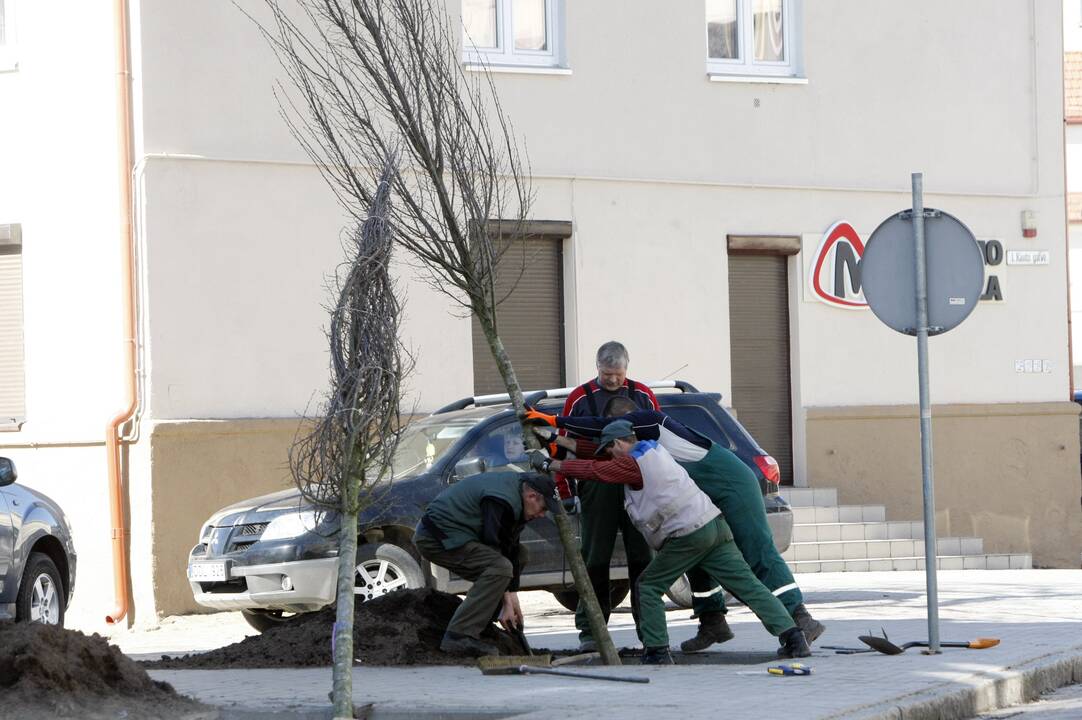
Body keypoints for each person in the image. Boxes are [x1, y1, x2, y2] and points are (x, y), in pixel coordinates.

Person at [527, 397, 826, 652]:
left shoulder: (651, 428)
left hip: (730, 485)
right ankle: (719, 623)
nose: (605, 439)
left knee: (755, 551)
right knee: (717, 569)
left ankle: (799, 615)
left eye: (612, 433)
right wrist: (555, 440)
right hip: (703, 516)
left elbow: (599, 464)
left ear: (628, 428)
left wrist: (555, 423)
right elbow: (601, 454)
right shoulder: (644, 449)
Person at [558, 341, 658, 652]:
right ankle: (591, 631)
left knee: (643, 558)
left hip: (637, 481)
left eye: (617, 374)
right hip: (596, 484)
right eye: (606, 374)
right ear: (597, 367)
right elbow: (562, 445)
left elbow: (659, 438)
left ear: (627, 369)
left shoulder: (642, 395)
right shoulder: (579, 398)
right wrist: (564, 490)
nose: (612, 380)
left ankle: (651, 632)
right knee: (595, 558)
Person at [413, 471, 560, 656]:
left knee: (521, 555)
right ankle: (458, 636)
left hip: (458, 536)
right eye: (543, 508)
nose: (542, 515)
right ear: (532, 496)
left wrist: (513, 600)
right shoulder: (500, 500)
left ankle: (483, 624)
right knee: (499, 568)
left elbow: (510, 546)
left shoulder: (518, 494)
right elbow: (494, 547)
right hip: (435, 538)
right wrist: (507, 602)